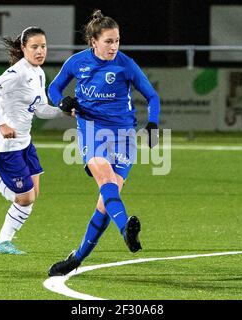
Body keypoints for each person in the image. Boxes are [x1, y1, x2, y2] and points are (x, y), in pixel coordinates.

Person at [46, 10, 160, 276]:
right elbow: (54, 88)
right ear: (93, 41)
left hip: (124, 136)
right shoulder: (77, 62)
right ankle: (126, 231)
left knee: (106, 202)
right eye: (108, 41)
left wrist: (153, 124)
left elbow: (152, 96)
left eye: (117, 41)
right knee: (107, 181)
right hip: (92, 132)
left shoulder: (125, 64)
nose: (114, 46)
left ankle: (77, 258)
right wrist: (62, 102)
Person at [0, 27, 71, 254]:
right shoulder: (17, 73)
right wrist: (1, 124)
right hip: (8, 147)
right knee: (24, 198)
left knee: (32, 195)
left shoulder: (38, 72)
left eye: (43, 46)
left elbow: (40, 110)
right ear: (23, 48)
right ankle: (1, 241)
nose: (40, 51)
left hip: (25, 143)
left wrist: (64, 111)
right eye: (34, 47)